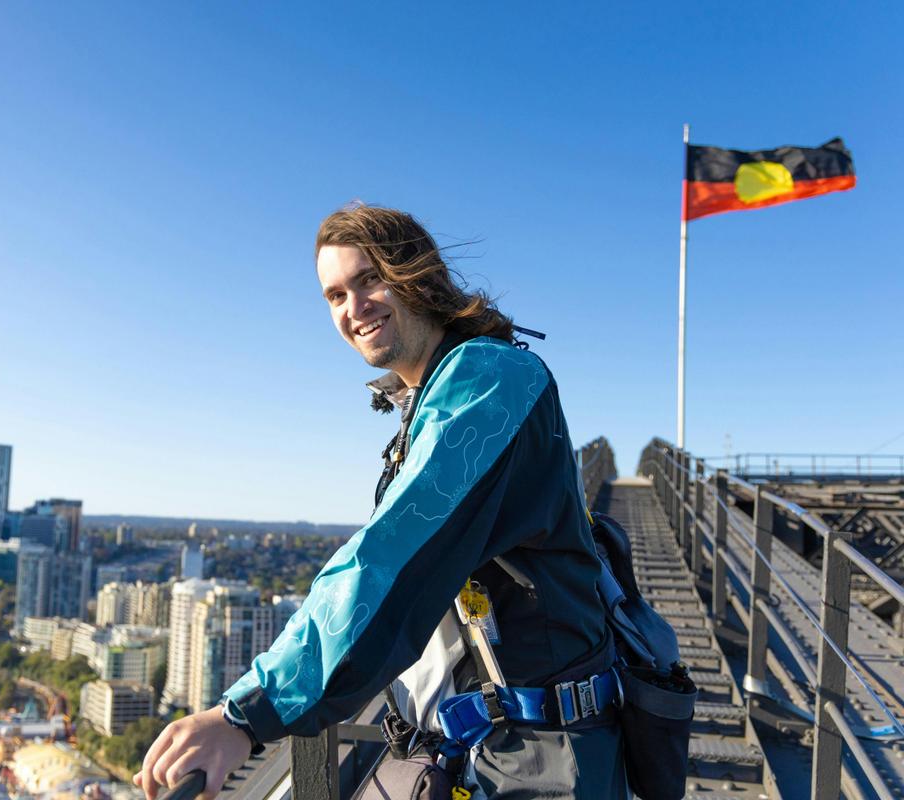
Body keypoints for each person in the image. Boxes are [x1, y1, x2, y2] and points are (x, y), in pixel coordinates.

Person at [137, 205, 626, 800]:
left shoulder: (491, 381)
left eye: (369, 279)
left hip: (543, 758)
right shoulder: (434, 393)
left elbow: (388, 558)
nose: (353, 308)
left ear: (417, 273)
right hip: (487, 744)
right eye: (335, 295)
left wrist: (246, 715)